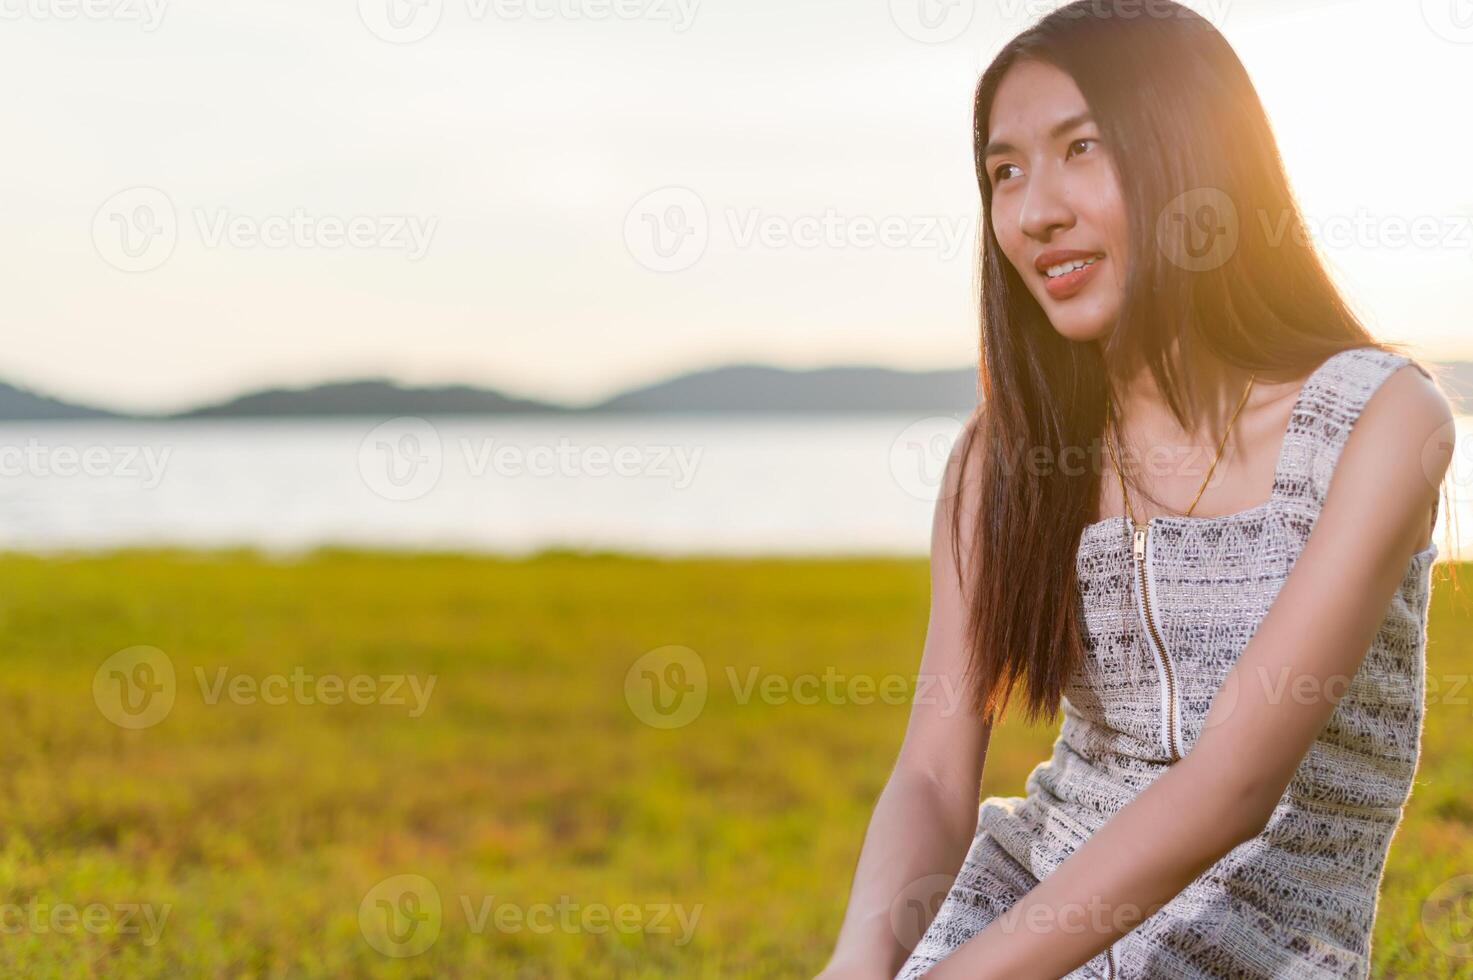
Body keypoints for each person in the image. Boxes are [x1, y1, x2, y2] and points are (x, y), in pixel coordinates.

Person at [818, 3, 1456, 978]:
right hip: (1014, 920)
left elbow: (1231, 785)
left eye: (1082, 147)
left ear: (1195, 158)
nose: (1035, 210)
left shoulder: (1379, 424)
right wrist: (859, 970)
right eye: (1005, 170)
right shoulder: (1006, 456)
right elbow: (936, 775)